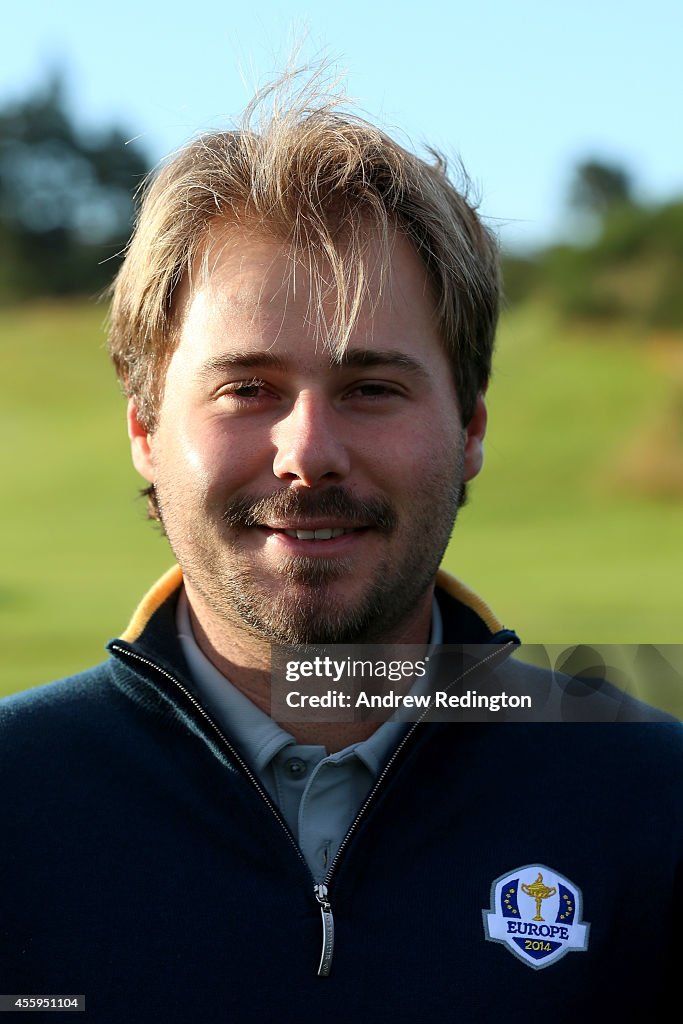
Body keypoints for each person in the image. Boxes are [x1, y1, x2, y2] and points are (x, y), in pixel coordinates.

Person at [1, 74, 680, 1023]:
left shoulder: (653, 801)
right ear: (145, 431)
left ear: (472, 425)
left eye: (371, 387)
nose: (308, 454)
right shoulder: (16, 805)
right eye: (247, 388)